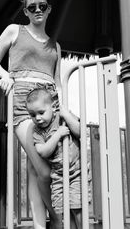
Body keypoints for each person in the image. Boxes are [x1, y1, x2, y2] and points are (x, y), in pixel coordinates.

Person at [0, 0, 62, 229]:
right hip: (22, 105)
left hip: (50, 106)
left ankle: (41, 225)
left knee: (35, 169)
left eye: (42, 6)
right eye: (32, 7)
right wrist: (6, 76)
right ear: (26, 11)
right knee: (43, 171)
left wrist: (63, 112)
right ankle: (59, 219)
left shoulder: (56, 47)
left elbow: (58, 83)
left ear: (49, 9)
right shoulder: (14, 31)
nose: (37, 10)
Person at [26, 87, 91, 229]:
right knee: (63, 211)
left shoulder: (62, 118)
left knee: (77, 208)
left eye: (41, 112)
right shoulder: (37, 132)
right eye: (32, 115)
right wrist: (58, 135)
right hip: (58, 177)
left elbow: (81, 132)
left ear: (53, 107)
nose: (37, 118)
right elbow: (43, 151)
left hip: (76, 173)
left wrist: (67, 116)